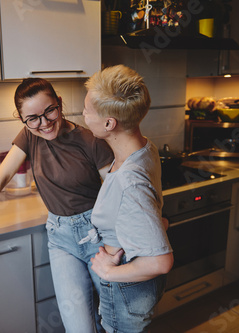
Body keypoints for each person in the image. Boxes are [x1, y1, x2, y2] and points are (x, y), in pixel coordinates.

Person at [0, 78, 114, 333]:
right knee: (80, 329)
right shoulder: (30, 135)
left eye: (50, 110)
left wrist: (117, 242)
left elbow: (117, 194)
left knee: (115, 323)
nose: (44, 123)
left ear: (59, 103)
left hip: (98, 235)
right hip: (60, 240)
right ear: (22, 119)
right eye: (33, 118)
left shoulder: (90, 141)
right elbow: (0, 180)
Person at [82, 65, 174, 333]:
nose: (84, 114)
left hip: (126, 286)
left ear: (109, 123)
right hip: (136, 284)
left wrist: (108, 273)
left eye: (87, 110)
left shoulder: (129, 181)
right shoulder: (144, 147)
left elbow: (160, 261)